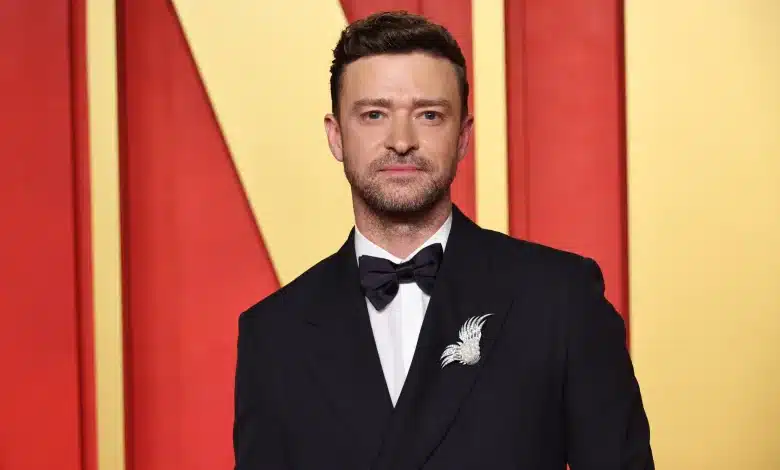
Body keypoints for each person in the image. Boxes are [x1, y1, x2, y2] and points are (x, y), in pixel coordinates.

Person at [233, 10, 653, 470]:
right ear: (336, 137)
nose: (400, 141)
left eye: (428, 115)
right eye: (374, 114)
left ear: (463, 136)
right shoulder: (273, 334)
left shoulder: (561, 299)